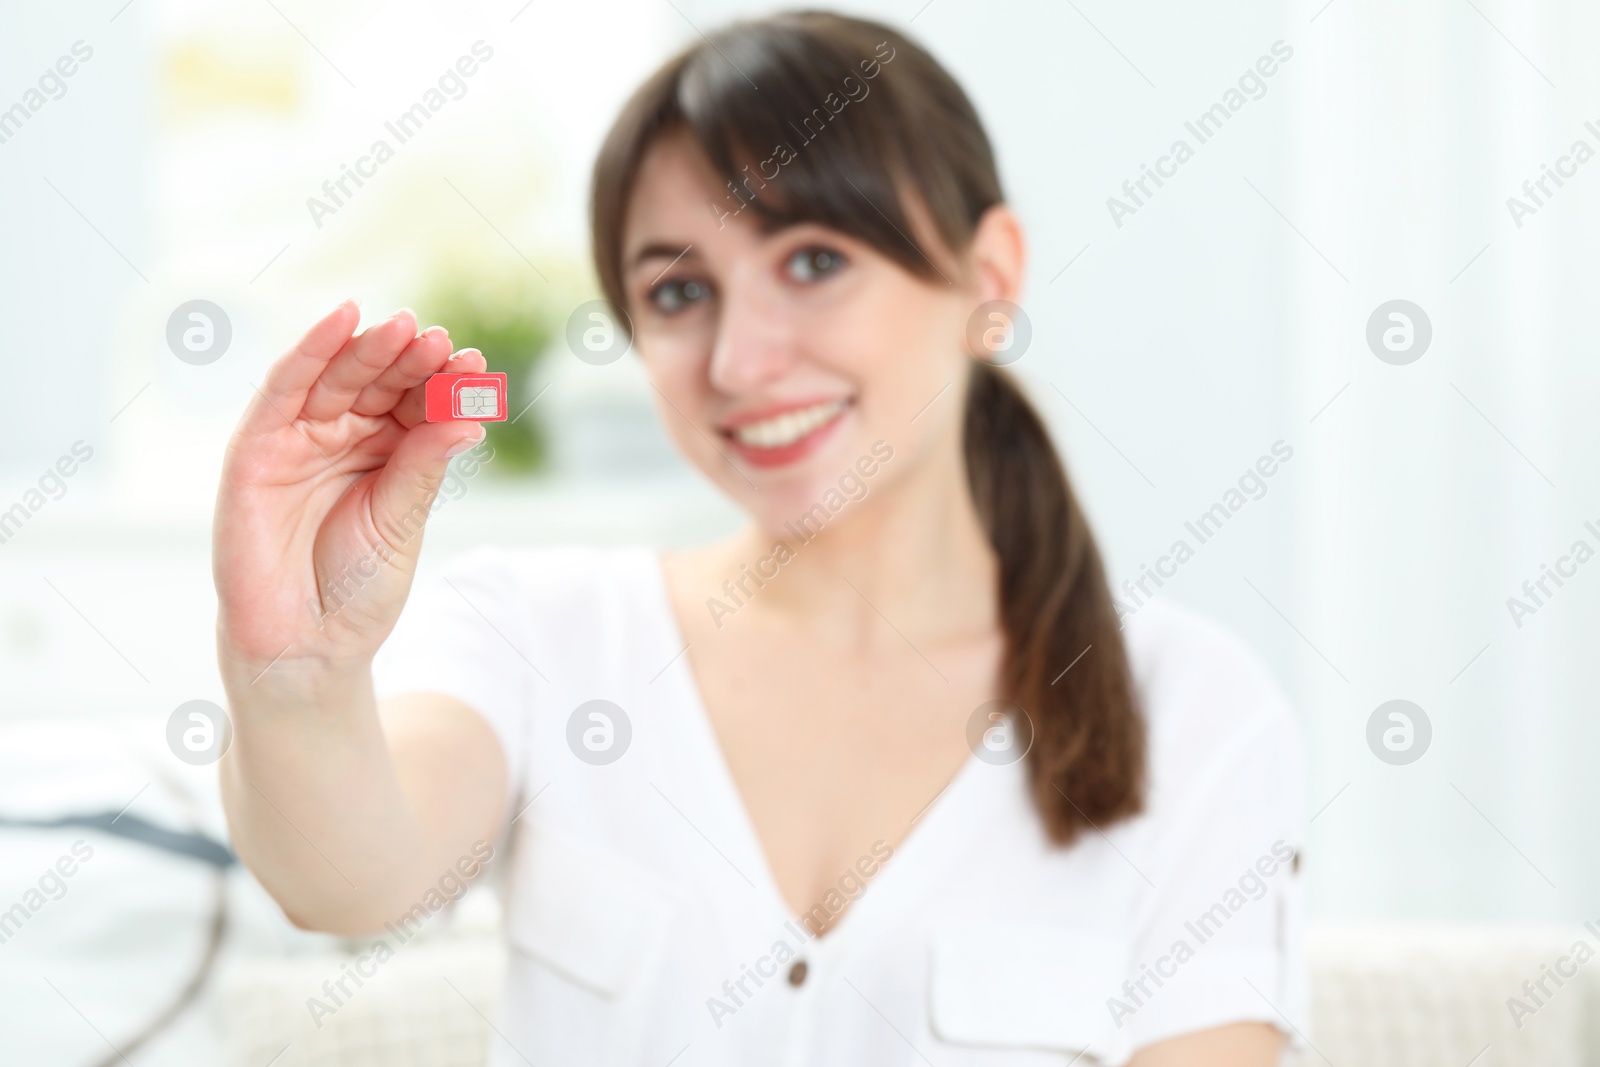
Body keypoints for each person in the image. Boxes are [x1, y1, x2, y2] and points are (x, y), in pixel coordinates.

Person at [212, 10, 1306, 1065]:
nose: (738, 360)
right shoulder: (542, 631)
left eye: (815, 261)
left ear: (989, 277)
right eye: (679, 290)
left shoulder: (1195, 708)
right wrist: (296, 670)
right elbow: (347, 879)